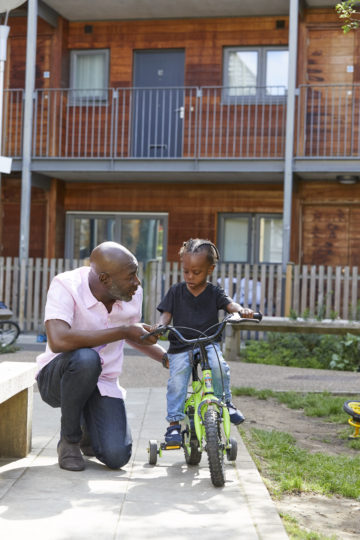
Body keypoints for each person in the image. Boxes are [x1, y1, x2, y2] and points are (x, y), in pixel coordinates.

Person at [36, 241, 167, 472]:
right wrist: (125, 330)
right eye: (131, 276)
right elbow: (58, 340)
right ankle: (69, 441)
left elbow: (133, 335)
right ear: (105, 279)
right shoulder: (66, 285)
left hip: (103, 383)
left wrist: (166, 358)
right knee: (87, 359)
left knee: (117, 457)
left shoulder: (131, 294)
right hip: (57, 378)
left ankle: (89, 433)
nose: (137, 282)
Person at [154, 238, 253, 445]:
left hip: (209, 342)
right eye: (186, 271)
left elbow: (230, 305)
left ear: (210, 269)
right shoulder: (176, 291)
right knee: (177, 380)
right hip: (181, 345)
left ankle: (226, 403)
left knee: (219, 367)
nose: (190, 276)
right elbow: (166, 314)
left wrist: (241, 310)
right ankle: (173, 425)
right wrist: (160, 325)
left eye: (196, 272)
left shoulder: (214, 292)